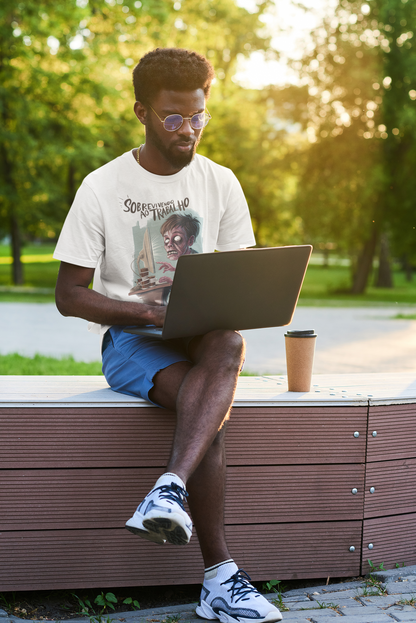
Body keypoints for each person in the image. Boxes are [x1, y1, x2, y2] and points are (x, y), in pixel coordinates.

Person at [54, 47, 282, 623]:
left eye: (199, 116)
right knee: (207, 412)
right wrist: (153, 315)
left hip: (201, 335)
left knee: (228, 344)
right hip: (133, 340)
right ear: (142, 112)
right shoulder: (102, 187)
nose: (189, 131)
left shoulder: (221, 183)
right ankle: (220, 579)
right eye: (173, 118)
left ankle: (169, 489)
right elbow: (69, 295)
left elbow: (238, 279)